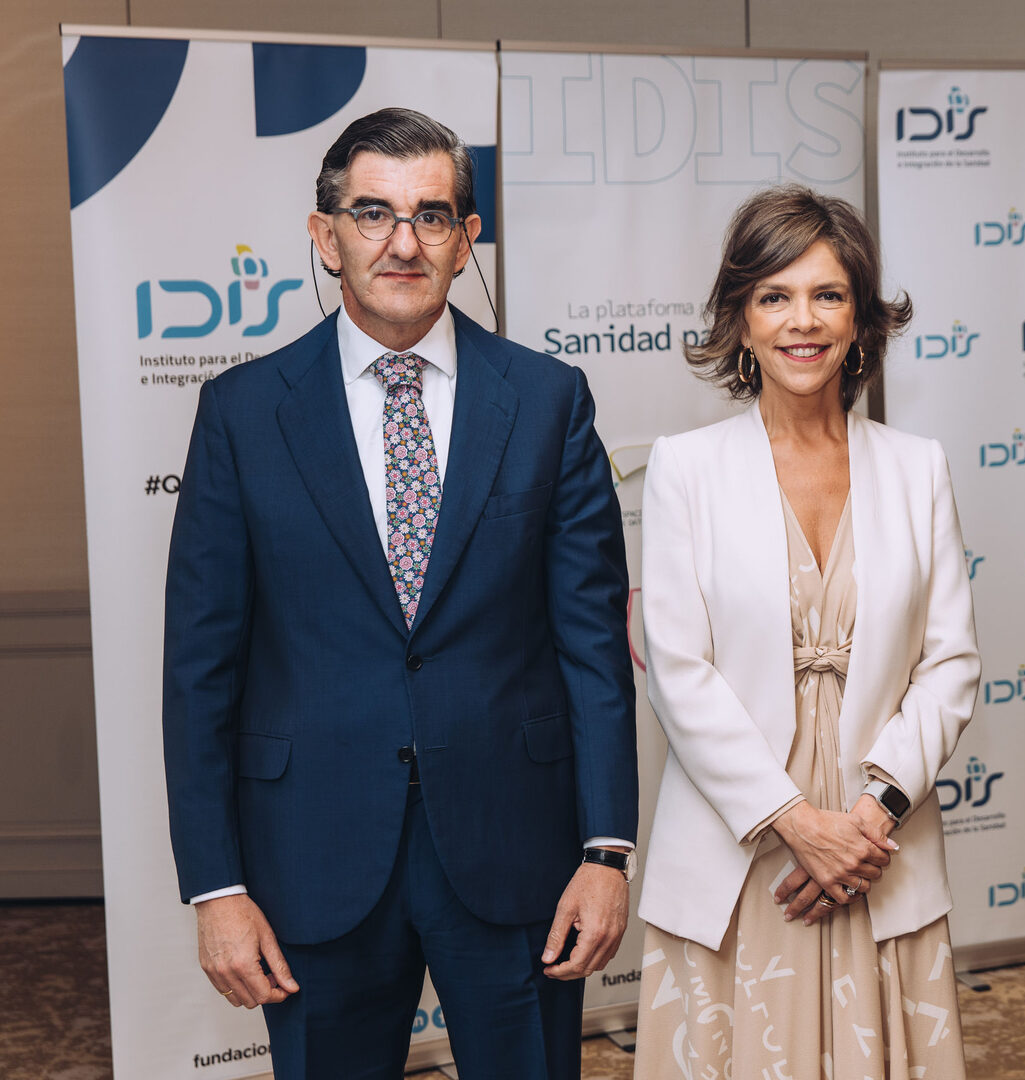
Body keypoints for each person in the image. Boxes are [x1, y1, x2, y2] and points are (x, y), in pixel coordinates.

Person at [162, 107, 638, 1080]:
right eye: (373, 213)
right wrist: (215, 886)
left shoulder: (547, 401)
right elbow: (199, 669)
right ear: (324, 234)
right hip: (310, 859)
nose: (403, 242)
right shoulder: (243, 414)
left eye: (432, 215)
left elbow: (591, 646)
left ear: (467, 239)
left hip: (518, 855)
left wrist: (605, 852)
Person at [632, 184, 980, 1077]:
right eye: (774, 296)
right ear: (741, 320)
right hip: (740, 849)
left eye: (829, 295)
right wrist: (797, 825)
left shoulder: (918, 468)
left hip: (880, 850)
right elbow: (677, 670)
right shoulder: (686, 469)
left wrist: (865, 822)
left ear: (860, 319)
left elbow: (950, 665)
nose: (803, 321)